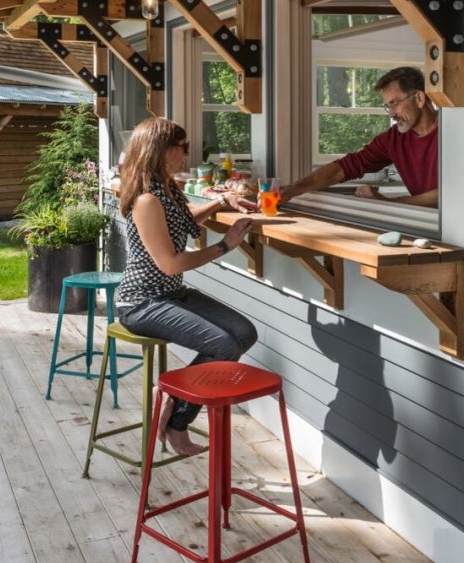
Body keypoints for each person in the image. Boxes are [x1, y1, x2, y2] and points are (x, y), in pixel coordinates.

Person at [116, 117, 258, 456]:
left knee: (244, 332)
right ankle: (178, 422)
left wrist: (222, 202)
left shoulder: (167, 189)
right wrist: (224, 246)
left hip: (171, 294)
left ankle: (169, 394)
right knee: (224, 345)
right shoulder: (147, 200)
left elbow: (184, 220)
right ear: (161, 150)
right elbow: (170, 263)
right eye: (183, 147)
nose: (187, 154)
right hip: (141, 303)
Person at [281, 66, 439, 208]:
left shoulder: (452, 134)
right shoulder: (393, 140)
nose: (391, 113)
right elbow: (342, 169)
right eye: (388, 106)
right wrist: (293, 189)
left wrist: (389, 203)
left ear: (419, 98)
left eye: (395, 103)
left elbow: (451, 195)